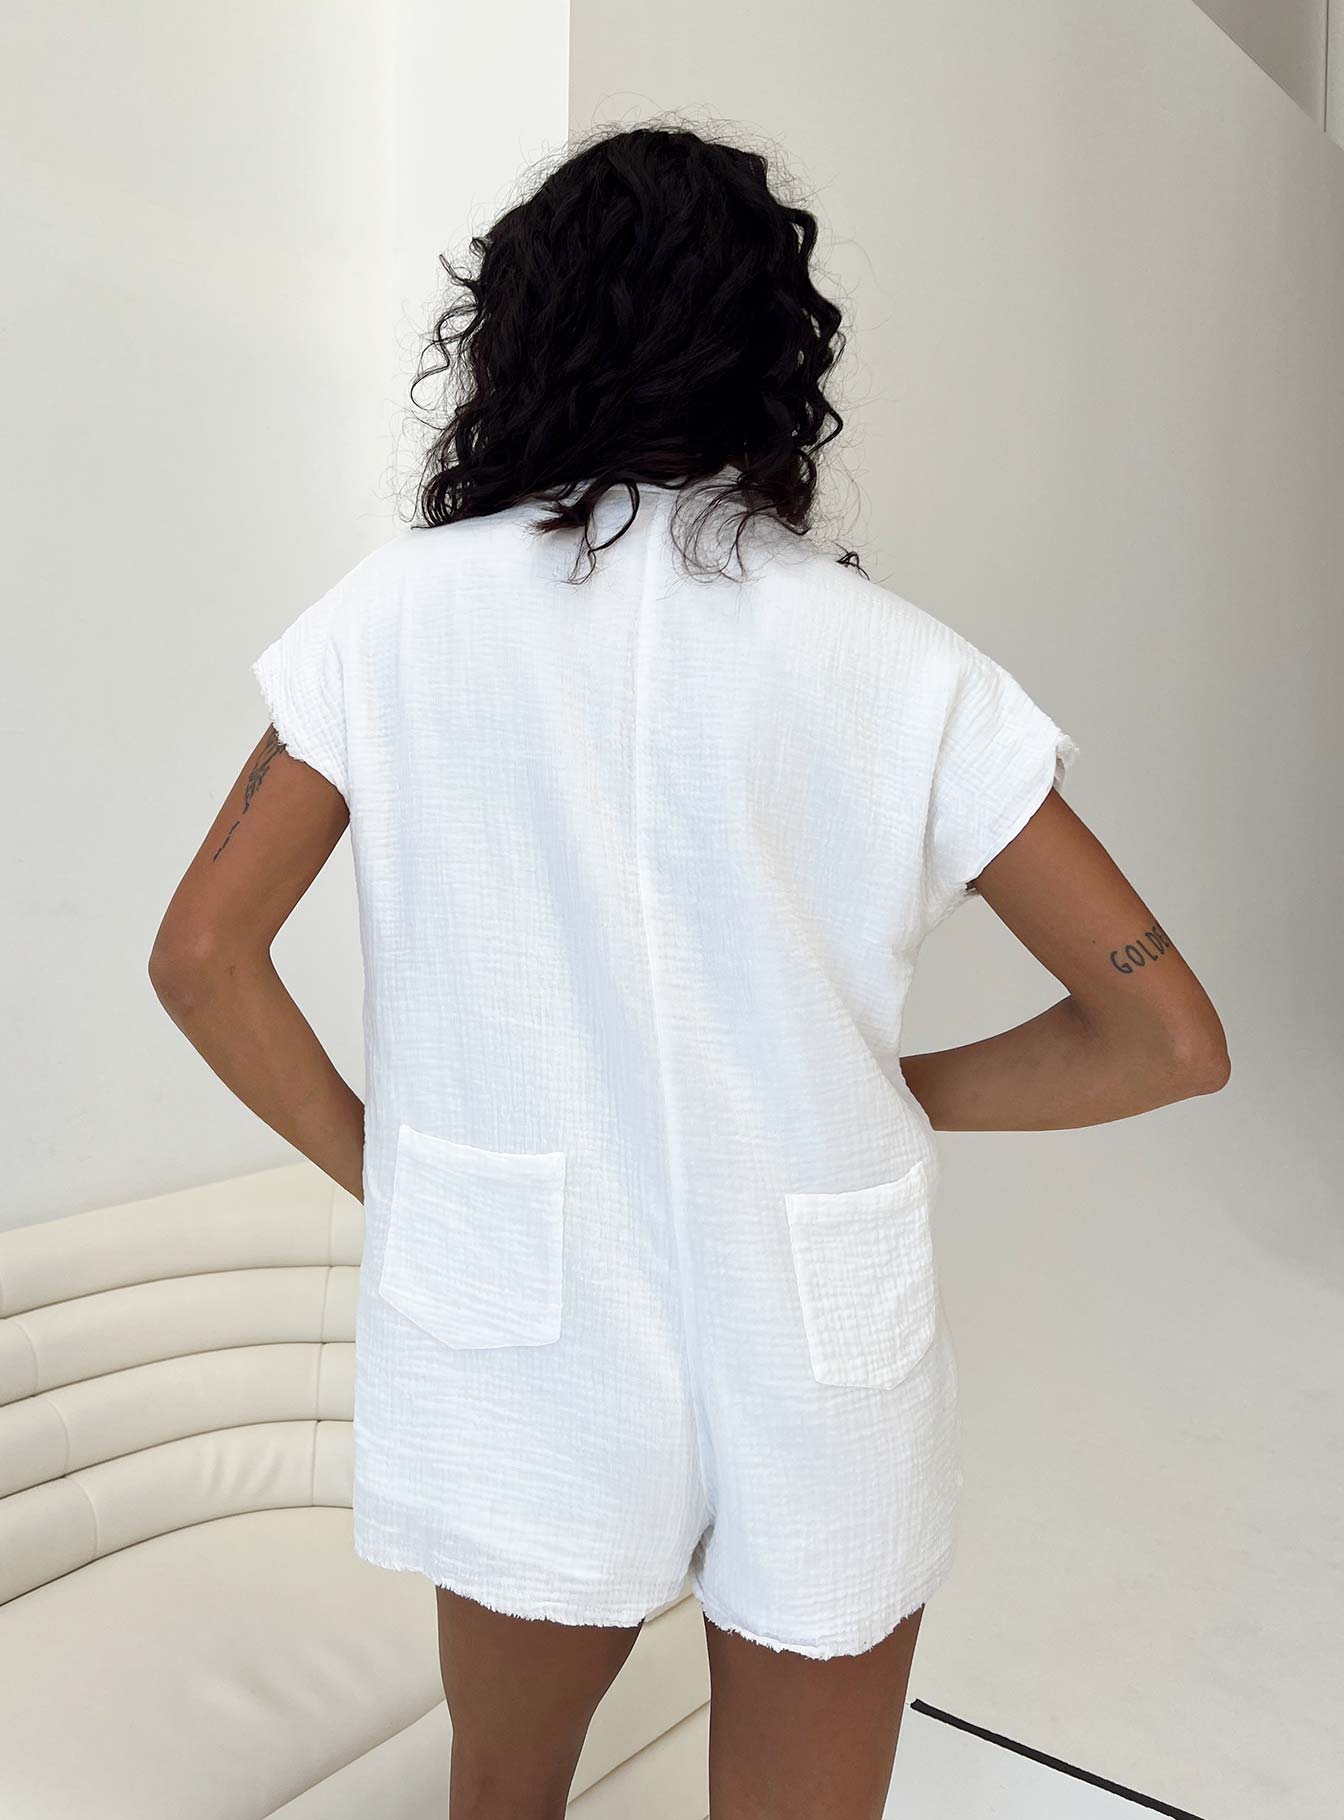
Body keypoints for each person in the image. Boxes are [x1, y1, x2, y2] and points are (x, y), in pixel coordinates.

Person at [149, 121, 1230, 1820]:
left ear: (519, 336)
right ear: (774, 357)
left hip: (522, 1297)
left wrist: (400, 1180)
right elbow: (1166, 1037)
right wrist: (878, 1092)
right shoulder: (902, 669)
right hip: (815, 1306)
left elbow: (205, 955)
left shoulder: (394, 619)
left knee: (504, 1791)